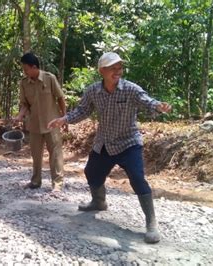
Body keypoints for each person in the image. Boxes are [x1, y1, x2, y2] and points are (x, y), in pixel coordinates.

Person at [48, 52, 172, 244]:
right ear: (102, 71)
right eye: (113, 68)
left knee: (137, 179)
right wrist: (63, 119)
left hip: (128, 143)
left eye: (120, 68)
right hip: (104, 142)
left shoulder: (130, 89)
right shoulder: (93, 91)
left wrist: (159, 106)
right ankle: (99, 201)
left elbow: (147, 101)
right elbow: (82, 110)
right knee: (91, 172)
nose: (117, 71)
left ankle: (151, 223)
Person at [14, 52, 66, 192]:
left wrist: (64, 118)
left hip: (52, 123)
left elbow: (60, 98)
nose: (25, 72)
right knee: (36, 155)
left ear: (34, 67)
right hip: (35, 124)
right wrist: (19, 116)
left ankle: (57, 183)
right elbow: (25, 104)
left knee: (55, 154)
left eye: (26, 69)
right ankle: (36, 181)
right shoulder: (24, 83)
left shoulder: (49, 78)